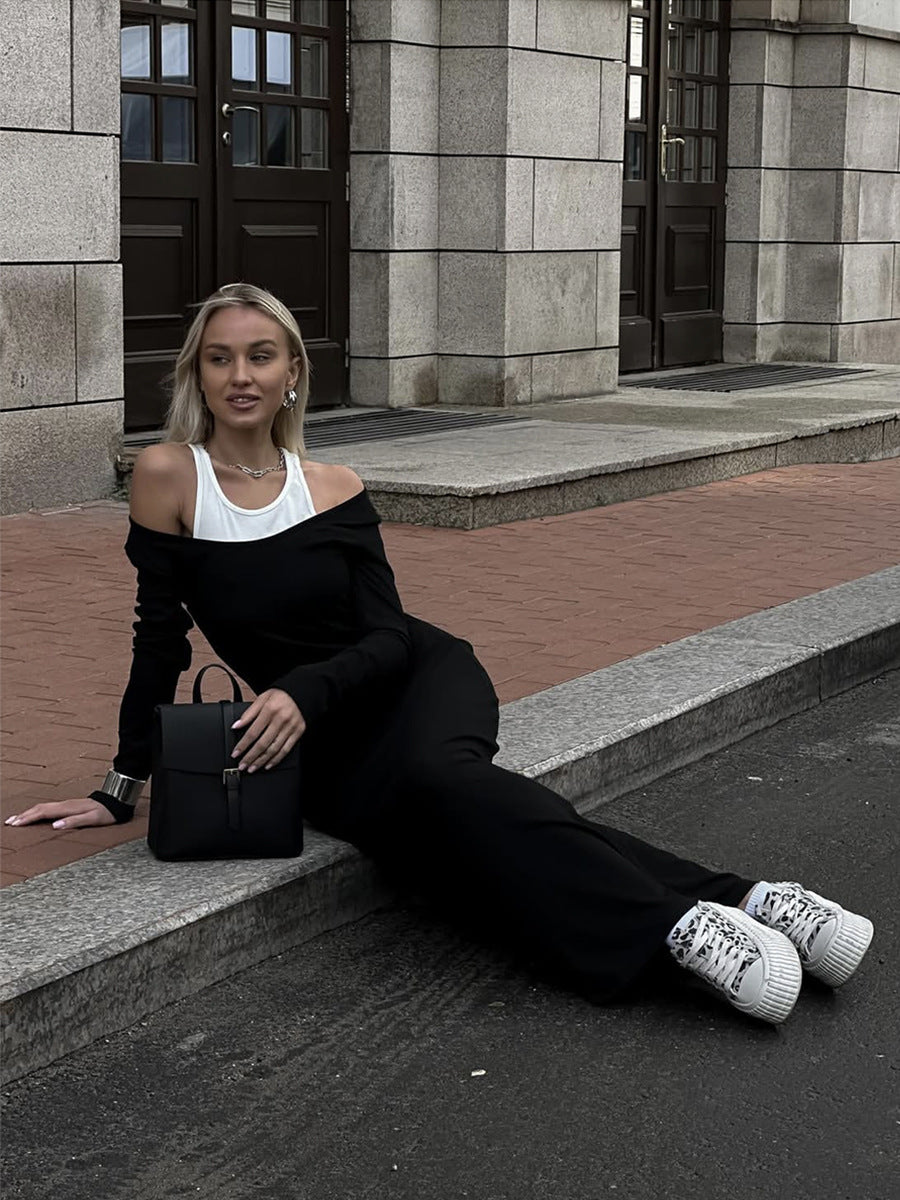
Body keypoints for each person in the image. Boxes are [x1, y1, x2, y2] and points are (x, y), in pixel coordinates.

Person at [6, 283, 874, 1025]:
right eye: (221, 358)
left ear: (292, 373)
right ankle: (744, 900)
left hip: (414, 679)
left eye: (261, 356)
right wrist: (118, 788)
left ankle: (676, 929)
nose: (241, 376)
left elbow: (388, 634)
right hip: (316, 737)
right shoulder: (166, 477)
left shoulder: (336, 486)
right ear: (197, 371)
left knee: (440, 786)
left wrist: (304, 691)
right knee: (439, 838)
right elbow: (157, 638)